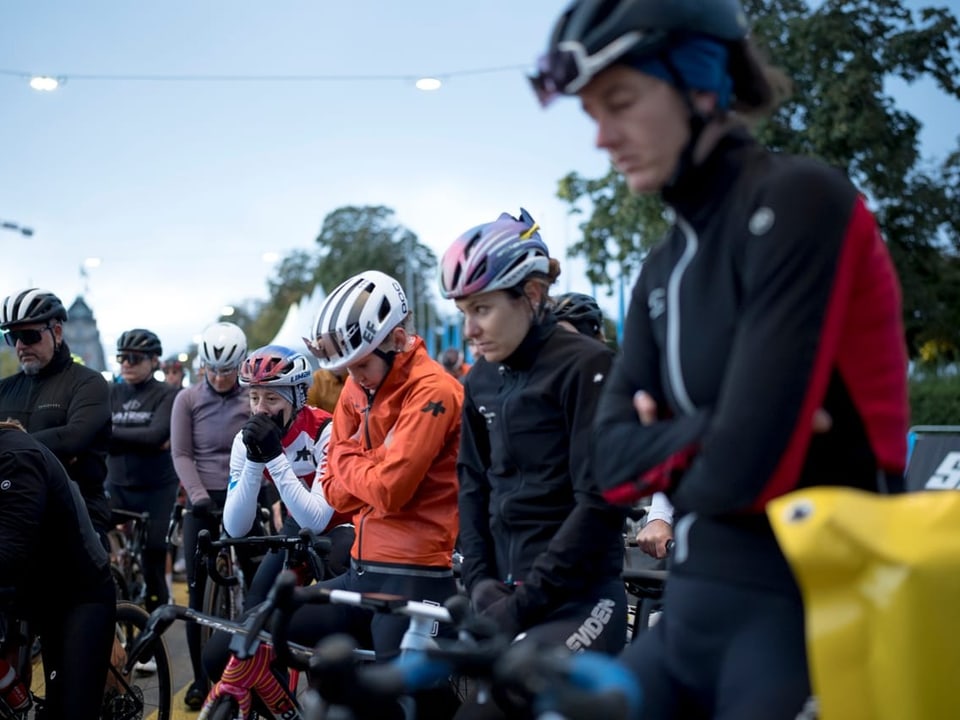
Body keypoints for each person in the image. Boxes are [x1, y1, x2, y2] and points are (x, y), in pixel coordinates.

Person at [531, 1, 910, 717]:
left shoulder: (801, 200)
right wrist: (717, 428)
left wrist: (677, 438)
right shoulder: (660, 267)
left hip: (811, 606)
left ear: (701, 82)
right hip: (694, 608)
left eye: (619, 102)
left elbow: (746, 462)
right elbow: (608, 466)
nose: (602, 138)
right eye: (590, 114)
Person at [208, 270, 462, 717]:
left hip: (417, 574)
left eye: (362, 364)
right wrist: (364, 467)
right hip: (362, 571)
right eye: (348, 367)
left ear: (397, 339)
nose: (355, 377)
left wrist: (352, 467)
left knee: (401, 701)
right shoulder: (355, 388)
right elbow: (339, 496)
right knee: (244, 642)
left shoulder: (434, 390)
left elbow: (389, 490)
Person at [439, 210, 628, 719]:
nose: (470, 329)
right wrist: (478, 581)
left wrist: (517, 607)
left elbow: (599, 504)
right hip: (503, 594)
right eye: (463, 311)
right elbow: (473, 483)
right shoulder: (480, 380)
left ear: (533, 294)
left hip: (582, 599)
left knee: (493, 708)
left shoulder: (586, 366)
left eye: (482, 308)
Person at [201, 345, 356, 685]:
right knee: (255, 610)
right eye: (254, 398)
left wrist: (274, 457)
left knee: (331, 620)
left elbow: (318, 518)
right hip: (296, 524)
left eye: (272, 399)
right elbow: (235, 527)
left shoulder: (325, 430)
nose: (260, 409)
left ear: (298, 397)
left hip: (343, 523)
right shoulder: (246, 441)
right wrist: (256, 462)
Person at [0, 419, 116, 720]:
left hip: (76, 592)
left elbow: (8, 554)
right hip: (27, 587)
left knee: (69, 710)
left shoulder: (16, 456)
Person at [169, 321, 249, 709]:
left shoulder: (252, 396)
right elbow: (181, 454)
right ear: (203, 366)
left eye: (228, 370)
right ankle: (202, 677)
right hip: (201, 498)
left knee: (256, 579)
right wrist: (198, 497)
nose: (219, 378)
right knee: (198, 593)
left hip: (244, 491)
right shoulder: (186, 399)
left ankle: (253, 668)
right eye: (212, 370)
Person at [0, 288, 113, 544]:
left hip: (75, 513)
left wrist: (11, 443)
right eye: (13, 337)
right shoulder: (4, 388)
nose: (20, 346)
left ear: (57, 333)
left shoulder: (89, 383)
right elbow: (59, 445)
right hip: (14, 513)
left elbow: (73, 439)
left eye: (29, 336)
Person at [107, 328, 180, 611]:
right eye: (122, 357)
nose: (126, 363)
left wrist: (112, 434)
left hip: (157, 490)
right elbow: (96, 434)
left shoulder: (167, 394)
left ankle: (153, 635)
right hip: (118, 486)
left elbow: (156, 436)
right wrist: (138, 436)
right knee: (86, 533)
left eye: (135, 358)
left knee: (154, 556)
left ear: (153, 361)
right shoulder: (111, 392)